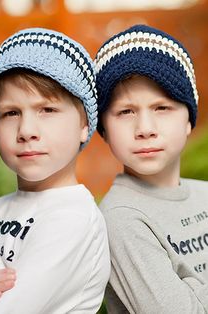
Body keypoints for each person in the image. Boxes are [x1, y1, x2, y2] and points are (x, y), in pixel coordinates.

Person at [0, 27, 110, 313]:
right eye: (11, 113)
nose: (27, 131)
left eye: (47, 110)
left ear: (84, 124)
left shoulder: (73, 220)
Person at [94, 24, 208, 313]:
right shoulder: (121, 219)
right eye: (125, 111)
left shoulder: (204, 193)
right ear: (104, 128)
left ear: (188, 120)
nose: (145, 128)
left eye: (162, 108)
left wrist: (193, 288)